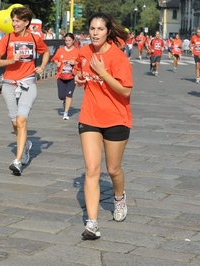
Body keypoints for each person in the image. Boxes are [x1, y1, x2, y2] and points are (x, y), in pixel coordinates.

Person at [74, 12, 132, 240]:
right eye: (92, 28)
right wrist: (81, 79)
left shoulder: (118, 57)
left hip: (117, 119)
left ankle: (119, 197)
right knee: (92, 170)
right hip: (90, 117)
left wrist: (102, 73)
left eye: (100, 29)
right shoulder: (84, 52)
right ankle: (93, 223)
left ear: (108, 32)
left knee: (113, 169)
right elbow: (81, 73)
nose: (95, 33)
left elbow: (125, 90)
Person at [0, 6, 50, 175]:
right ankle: (25, 145)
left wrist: (42, 66)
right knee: (14, 123)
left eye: (17, 21)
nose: (14, 23)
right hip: (9, 84)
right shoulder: (7, 38)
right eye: (13, 20)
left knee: (21, 121)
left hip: (28, 83)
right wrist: (10, 60)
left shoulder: (34, 38)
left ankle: (17, 161)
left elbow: (45, 52)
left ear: (26, 23)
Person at [51, 32, 79, 120]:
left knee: (69, 95)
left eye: (69, 40)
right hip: (61, 76)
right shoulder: (60, 50)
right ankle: (64, 101)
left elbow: (81, 62)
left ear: (73, 41)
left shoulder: (77, 51)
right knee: (61, 96)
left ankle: (66, 112)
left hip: (72, 77)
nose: (67, 42)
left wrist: (75, 63)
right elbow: (54, 59)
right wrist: (57, 63)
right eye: (66, 40)